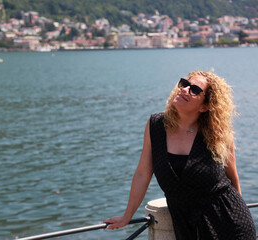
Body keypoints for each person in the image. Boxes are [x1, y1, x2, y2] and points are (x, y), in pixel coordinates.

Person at [104, 70, 256, 239]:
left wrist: (240, 213)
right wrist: (127, 216)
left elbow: (232, 179)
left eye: (194, 90)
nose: (184, 89)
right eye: (185, 84)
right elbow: (142, 174)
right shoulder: (155, 126)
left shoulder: (217, 134)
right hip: (186, 226)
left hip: (230, 223)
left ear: (205, 106)